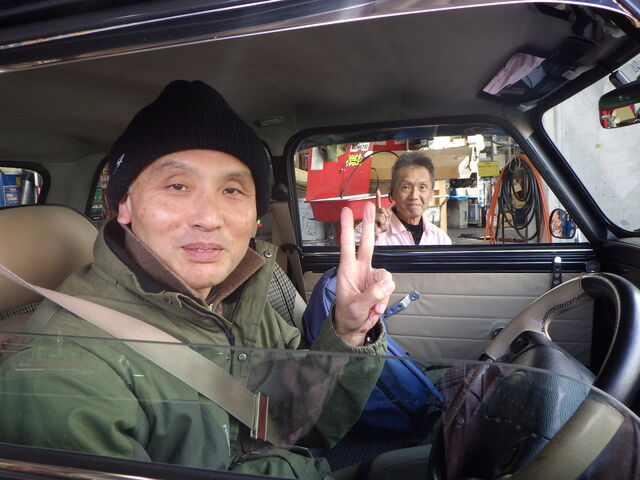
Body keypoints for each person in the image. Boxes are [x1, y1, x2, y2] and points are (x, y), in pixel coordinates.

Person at [0, 80, 395, 479]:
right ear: (123, 204)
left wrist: (347, 332)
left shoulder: (238, 297)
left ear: (254, 216)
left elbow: (297, 424)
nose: (208, 217)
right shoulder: (64, 372)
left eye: (232, 190)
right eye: (177, 186)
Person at [357, 152, 451, 246]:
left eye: (422, 187)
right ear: (392, 193)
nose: (414, 196)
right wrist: (373, 235)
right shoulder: (369, 229)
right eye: (406, 187)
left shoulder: (440, 239)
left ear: (430, 194)